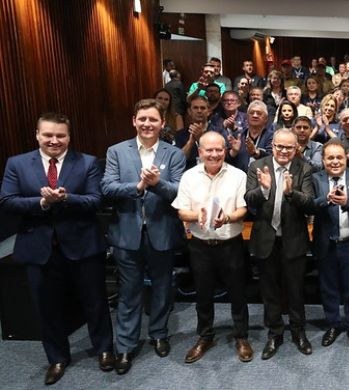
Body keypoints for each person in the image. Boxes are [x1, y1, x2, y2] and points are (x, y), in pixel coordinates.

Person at [0, 113, 114, 385]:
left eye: (60, 136)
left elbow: (95, 200)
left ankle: (104, 349)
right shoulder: (16, 164)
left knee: (95, 302)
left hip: (83, 246)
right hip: (38, 247)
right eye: (48, 135)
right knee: (46, 307)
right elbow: (7, 200)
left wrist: (66, 198)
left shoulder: (86, 162)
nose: (54, 140)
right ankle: (57, 357)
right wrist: (41, 203)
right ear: (37, 135)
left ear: (69, 137)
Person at [101, 99, 186, 375]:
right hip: (127, 233)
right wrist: (139, 186)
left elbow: (177, 193)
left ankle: (159, 333)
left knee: (162, 287)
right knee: (129, 291)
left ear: (163, 123)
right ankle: (125, 345)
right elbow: (108, 188)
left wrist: (156, 184)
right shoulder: (116, 151)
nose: (147, 124)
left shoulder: (174, 155)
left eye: (153, 119)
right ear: (134, 121)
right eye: (142, 119)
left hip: (161, 231)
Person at [172, 131, 252, 364]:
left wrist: (226, 218)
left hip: (231, 244)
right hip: (200, 245)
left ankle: (241, 336)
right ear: (200, 152)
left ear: (225, 151)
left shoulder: (238, 175)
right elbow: (181, 211)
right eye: (209, 150)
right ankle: (205, 336)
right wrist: (198, 215)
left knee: (238, 292)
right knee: (203, 294)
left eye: (219, 149)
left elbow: (243, 210)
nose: (215, 154)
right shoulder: (188, 176)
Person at [245, 129, 315, 360]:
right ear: (272, 145)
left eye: (289, 147)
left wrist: (290, 192)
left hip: (293, 239)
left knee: (295, 290)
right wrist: (264, 189)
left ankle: (298, 332)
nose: (284, 151)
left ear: (296, 148)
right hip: (266, 239)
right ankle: (275, 333)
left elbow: (309, 204)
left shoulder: (304, 168)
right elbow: (249, 200)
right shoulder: (257, 166)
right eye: (279, 146)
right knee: (270, 290)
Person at [310, 140, 349, 349]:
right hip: (326, 243)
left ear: (346, 158)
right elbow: (309, 205)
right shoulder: (316, 179)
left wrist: (348, 203)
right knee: (329, 288)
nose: (335, 161)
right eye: (330, 158)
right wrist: (325, 200)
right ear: (323, 160)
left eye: (339, 157)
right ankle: (333, 324)